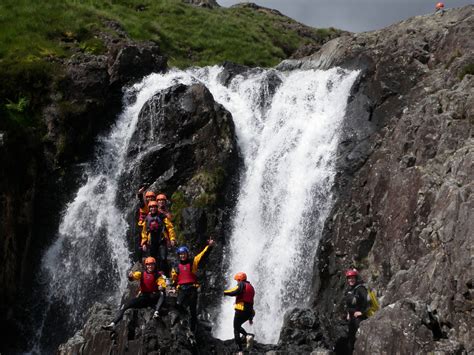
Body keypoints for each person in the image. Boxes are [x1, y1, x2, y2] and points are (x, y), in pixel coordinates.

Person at [103, 257, 166, 330]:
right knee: (125, 305)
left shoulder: (157, 275)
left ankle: (156, 312)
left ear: (154, 265)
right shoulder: (142, 273)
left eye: (152, 264)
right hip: (144, 298)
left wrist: (161, 287)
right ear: (146, 265)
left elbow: (162, 283)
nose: (150, 266)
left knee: (162, 293)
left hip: (153, 297)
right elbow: (134, 276)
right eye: (148, 265)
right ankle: (113, 324)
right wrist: (130, 276)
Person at [171, 240, 215, 332]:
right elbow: (174, 279)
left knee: (193, 311)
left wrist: (209, 246)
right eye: (180, 254)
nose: (182, 256)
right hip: (182, 289)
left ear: (187, 254)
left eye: (184, 254)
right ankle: (183, 322)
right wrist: (173, 288)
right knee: (178, 305)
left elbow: (203, 255)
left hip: (192, 289)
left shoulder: (193, 262)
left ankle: (192, 330)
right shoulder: (176, 266)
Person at [224, 272, 255, 353]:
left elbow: (235, 291)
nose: (237, 282)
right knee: (238, 326)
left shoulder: (241, 284)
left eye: (237, 280)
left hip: (241, 310)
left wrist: (225, 292)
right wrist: (251, 318)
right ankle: (246, 339)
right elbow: (251, 301)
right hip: (249, 312)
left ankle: (240, 349)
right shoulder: (251, 287)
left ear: (239, 279)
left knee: (236, 328)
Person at [142, 200, 176, 274]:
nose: (153, 209)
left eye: (154, 207)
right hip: (152, 241)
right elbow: (144, 232)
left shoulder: (162, 216)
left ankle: (166, 275)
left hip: (161, 240)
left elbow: (170, 227)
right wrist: (144, 243)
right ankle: (156, 276)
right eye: (151, 207)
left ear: (157, 208)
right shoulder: (147, 218)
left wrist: (172, 239)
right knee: (153, 259)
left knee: (163, 257)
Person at [344, 268, 369, 354]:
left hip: (359, 319)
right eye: (349, 278)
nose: (351, 280)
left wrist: (362, 312)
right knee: (351, 340)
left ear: (356, 278)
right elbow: (349, 304)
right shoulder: (350, 290)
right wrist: (348, 312)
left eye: (353, 278)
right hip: (351, 319)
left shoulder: (360, 289)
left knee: (359, 339)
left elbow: (367, 301)